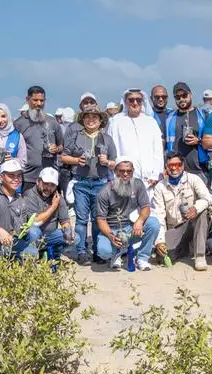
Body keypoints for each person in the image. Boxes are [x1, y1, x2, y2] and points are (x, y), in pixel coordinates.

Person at [61, 104, 117, 266]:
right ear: (83, 120)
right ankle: (81, 251)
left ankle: (98, 251)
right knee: (81, 219)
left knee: (98, 218)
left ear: (100, 121)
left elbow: (116, 162)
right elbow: (64, 157)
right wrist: (76, 160)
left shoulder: (107, 139)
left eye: (94, 117)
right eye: (88, 117)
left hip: (101, 183)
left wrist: (107, 162)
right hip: (81, 183)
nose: (91, 120)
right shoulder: (75, 136)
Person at [96, 157, 160, 270]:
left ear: (132, 171)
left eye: (129, 171)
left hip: (131, 227)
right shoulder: (105, 191)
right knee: (104, 252)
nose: (125, 174)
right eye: (121, 171)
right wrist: (111, 236)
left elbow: (146, 207)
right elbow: (101, 220)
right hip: (112, 230)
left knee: (153, 223)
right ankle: (116, 254)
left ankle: (142, 258)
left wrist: (139, 221)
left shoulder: (138, 184)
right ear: (115, 171)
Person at [152, 152, 211, 271]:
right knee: (162, 257)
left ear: (183, 165)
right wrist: (160, 241)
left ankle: (200, 256)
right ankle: (185, 248)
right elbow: (159, 216)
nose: (174, 168)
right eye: (170, 165)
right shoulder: (160, 187)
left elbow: (208, 199)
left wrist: (195, 208)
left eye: (177, 164)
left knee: (203, 212)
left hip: (193, 223)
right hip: (176, 227)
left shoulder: (194, 179)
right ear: (166, 167)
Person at [0, 160, 36, 262]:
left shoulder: (22, 201)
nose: (16, 179)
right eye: (11, 176)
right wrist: (0, 231)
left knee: (33, 251)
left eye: (18, 176)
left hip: (10, 242)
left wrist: (23, 229)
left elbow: (18, 229)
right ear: (1, 178)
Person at [107, 88, 164, 194]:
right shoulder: (116, 122)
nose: (135, 103)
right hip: (124, 179)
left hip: (150, 180)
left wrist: (156, 174)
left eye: (138, 100)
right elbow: (112, 150)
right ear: (125, 102)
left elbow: (158, 151)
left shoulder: (151, 122)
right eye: (131, 100)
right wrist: (116, 175)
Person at [14, 86, 63, 192]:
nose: (39, 103)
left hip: (50, 177)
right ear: (28, 100)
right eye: (35, 100)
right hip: (27, 178)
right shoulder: (19, 123)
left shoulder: (52, 122)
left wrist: (57, 149)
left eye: (42, 100)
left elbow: (62, 146)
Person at [23, 167, 74, 261]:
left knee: (75, 237)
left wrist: (68, 231)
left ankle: (52, 253)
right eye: (46, 184)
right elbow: (35, 222)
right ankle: (30, 259)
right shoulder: (29, 195)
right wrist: (53, 206)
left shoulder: (58, 197)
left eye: (52, 185)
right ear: (38, 181)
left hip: (50, 236)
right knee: (34, 231)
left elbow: (65, 221)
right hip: (31, 236)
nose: (48, 188)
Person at [166, 82, 210, 184]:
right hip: (176, 170)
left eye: (184, 95)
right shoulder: (170, 118)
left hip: (199, 170)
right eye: (177, 97)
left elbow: (211, 140)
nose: (181, 99)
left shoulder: (203, 115)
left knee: (202, 200)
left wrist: (198, 141)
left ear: (190, 95)